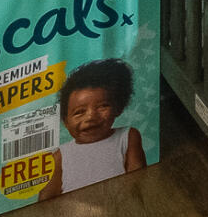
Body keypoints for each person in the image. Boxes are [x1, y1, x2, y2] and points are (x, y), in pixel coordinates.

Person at [40, 59, 144, 198]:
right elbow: (46, 197)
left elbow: (139, 180)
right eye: (79, 112)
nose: (90, 117)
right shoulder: (60, 155)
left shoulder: (128, 137)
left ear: (117, 107)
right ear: (66, 121)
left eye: (102, 106)